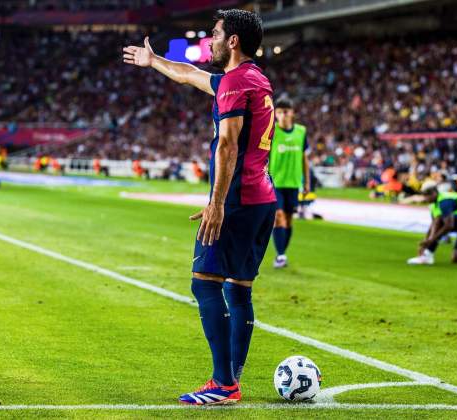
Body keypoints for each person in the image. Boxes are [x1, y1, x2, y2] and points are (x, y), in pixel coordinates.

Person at [124, 9, 276, 405]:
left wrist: (216, 203)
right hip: (263, 198)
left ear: (233, 41)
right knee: (239, 290)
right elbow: (190, 75)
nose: (209, 40)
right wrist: (154, 61)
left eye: (214, 34)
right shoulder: (253, 78)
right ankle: (232, 379)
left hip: (238, 200)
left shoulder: (234, 82)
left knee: (203, 282)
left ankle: (223, 384)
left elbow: (227, 145)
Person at [268, 96, 310, 268]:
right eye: (279, 112)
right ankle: (281, 255)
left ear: (292, 113)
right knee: (278, 218)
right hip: (274, 183)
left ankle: (281, 253)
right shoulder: (272, 131)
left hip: (293, 183)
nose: (282, 115)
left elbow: (304, 158)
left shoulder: (301, 131)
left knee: (289, 219)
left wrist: (307, 182)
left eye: (285, 111)